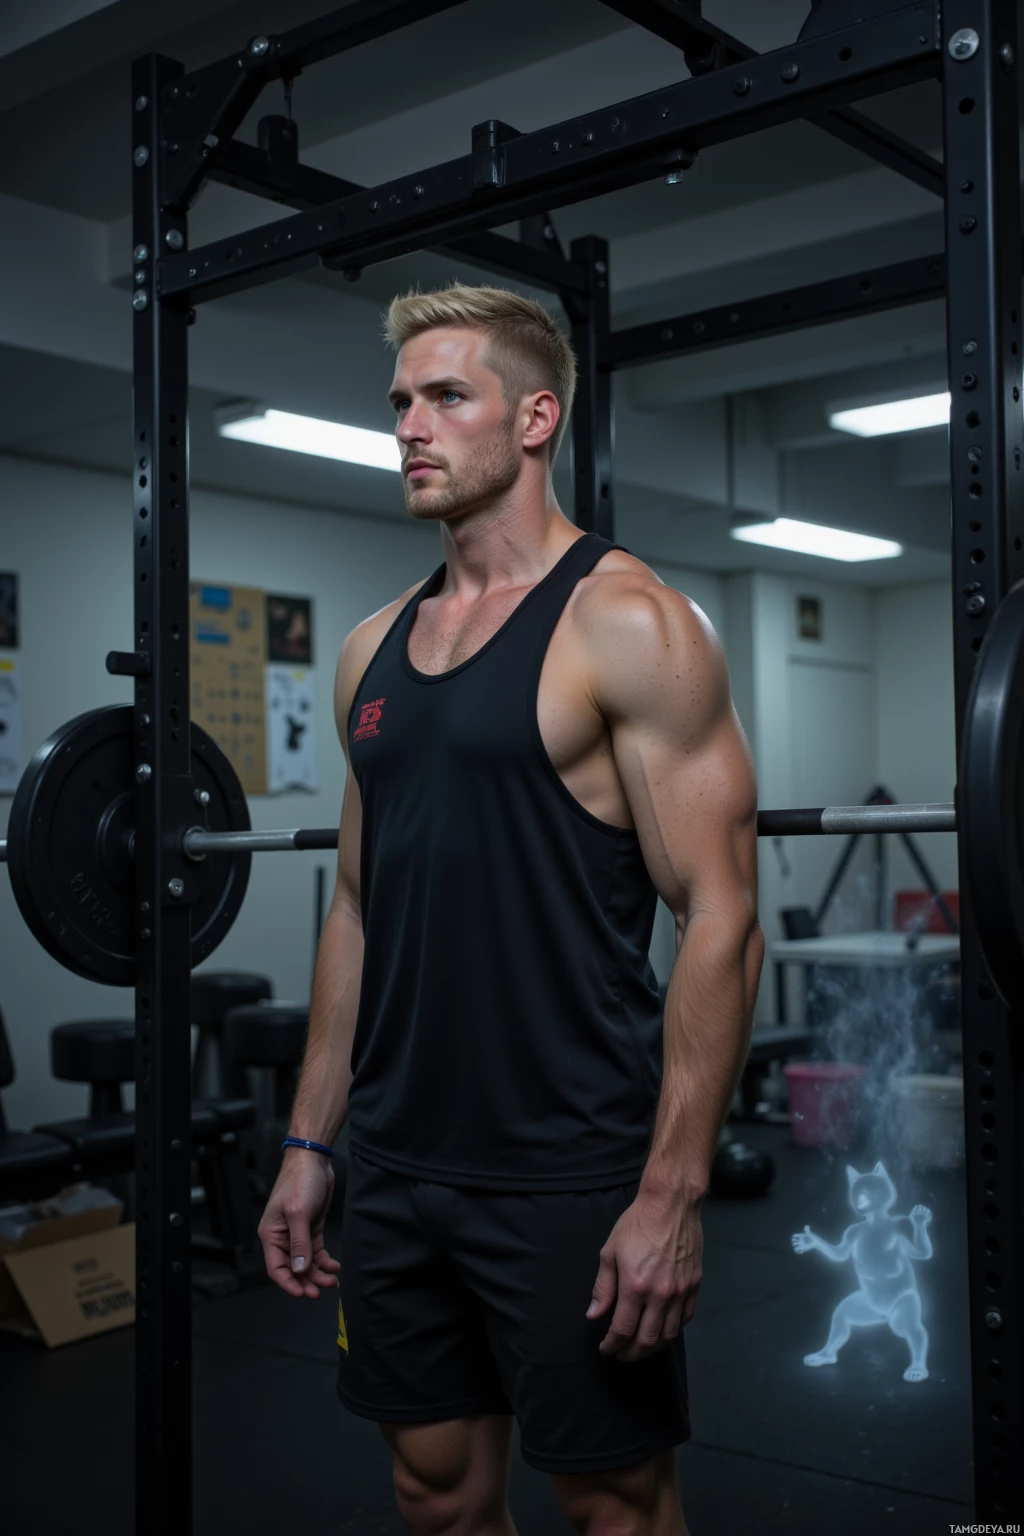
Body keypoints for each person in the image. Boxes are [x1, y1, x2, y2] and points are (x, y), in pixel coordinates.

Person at [258, 284, 764, 1536]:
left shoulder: (630, 625)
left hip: (567, 1168)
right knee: (431, 1491)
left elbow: (720, 917)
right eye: (398, 404)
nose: (409, 429)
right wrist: (311, 1144)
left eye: (445, 397)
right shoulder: (369, 650)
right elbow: (358, 908)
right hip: (398, 1158)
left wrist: (671, 1195)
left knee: (614, 1505)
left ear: (535, 417)